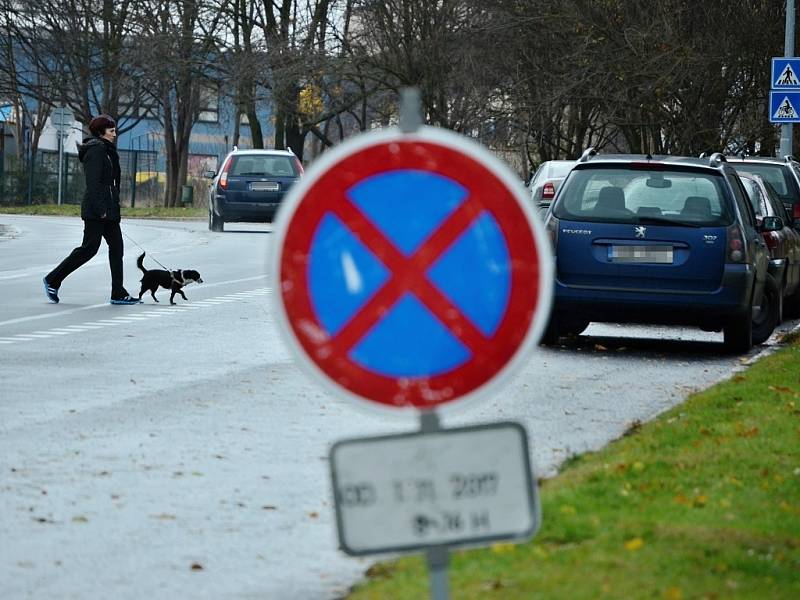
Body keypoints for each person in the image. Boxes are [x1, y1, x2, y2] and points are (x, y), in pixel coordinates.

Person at [42, 114, 140, 305]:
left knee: (117, 247)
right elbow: (93, 183)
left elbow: (111, 183)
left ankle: (118, 293)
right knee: (89, 249)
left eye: (114, 130)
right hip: (97, 210)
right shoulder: (96, 151)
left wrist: (113, 207)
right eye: (111, 131)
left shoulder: (108, 150)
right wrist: (102, 209)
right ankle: (52, 279)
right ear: (101, 132)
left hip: (108, 209)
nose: (115, 134)